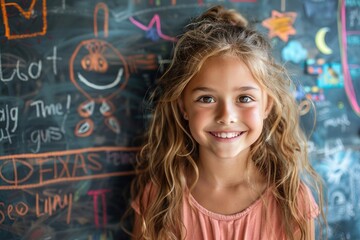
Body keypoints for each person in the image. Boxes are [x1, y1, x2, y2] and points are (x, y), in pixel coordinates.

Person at [130, 5, 325, 240]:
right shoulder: (160, 198)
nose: (226, 115)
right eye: (206, 98)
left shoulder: (292, 202)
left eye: (244, 98)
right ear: (183, 107)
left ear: (266, 106)